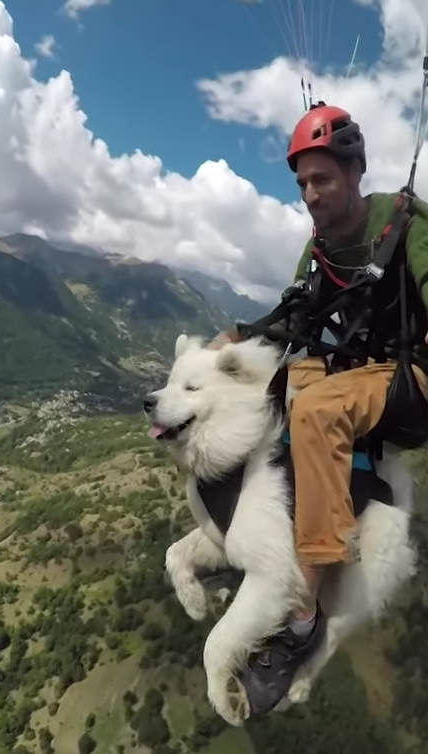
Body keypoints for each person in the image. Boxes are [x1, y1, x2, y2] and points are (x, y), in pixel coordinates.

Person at [210, 102, 428, 715]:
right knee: (286, 385)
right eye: (302, 182)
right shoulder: (320, 248)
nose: (309, 193)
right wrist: (235, 337)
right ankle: (275, 530)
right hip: (364, 374)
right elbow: (295, 319)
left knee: (316, 409)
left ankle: (300, 617)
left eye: (322, 179)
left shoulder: (405, 225)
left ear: (355, 172)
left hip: (415, 381)